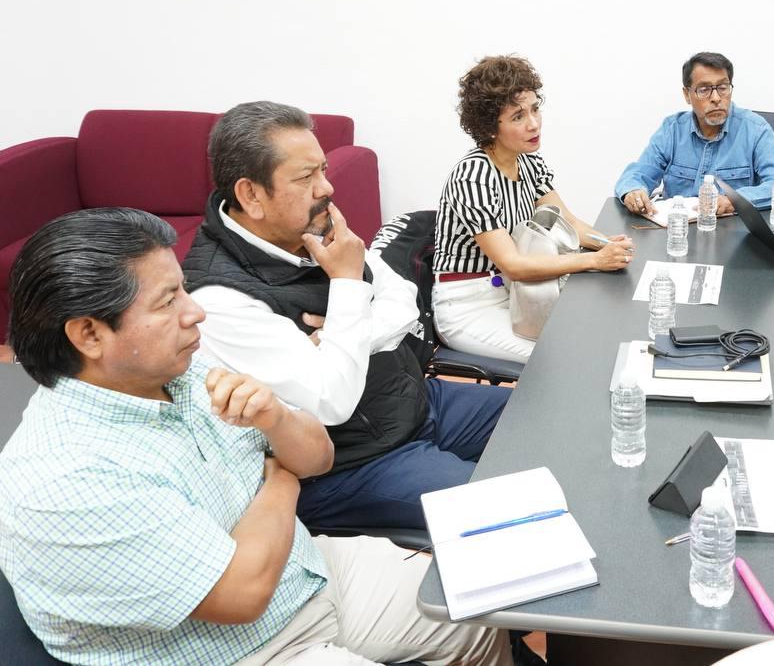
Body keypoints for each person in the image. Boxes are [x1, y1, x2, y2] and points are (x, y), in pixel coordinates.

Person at [0, 208, 509, 666]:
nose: (195, 312)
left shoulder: (184, 372)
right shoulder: (67, 477)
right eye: (168, 301)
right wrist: (281, 480)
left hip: (308, 572)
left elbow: (318, 456)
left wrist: (277, 420)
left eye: (183, 289)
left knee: (479, 612)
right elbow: (242, 594)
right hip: (249, 649)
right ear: (90, 334)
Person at [183, 101, 512, 532]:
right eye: (306, 177)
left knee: (552, 422)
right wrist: (347, 285)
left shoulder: (309, 225)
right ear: (251, 195)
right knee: (509, 512)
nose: (327, 187)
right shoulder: (220, 300)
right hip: (354, 463)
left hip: (412, 402)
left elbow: (403, 299)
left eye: (322, 169)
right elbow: (331, 401)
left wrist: (343, 335)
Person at [434, 55, 634, 364]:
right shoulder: (473, 176)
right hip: (468, 306)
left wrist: (611, 245)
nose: (534, 123)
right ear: (490, 127)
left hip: (517, 293)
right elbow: (513, 264)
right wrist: (594, 259)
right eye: (518, 116)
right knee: (560, 359)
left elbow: (570, 223)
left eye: (534, 109)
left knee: (591, 333)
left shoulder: (528, 161)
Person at [614, 51, 774, 215]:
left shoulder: (755, 129)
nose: (716, 98)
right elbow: (638, 174)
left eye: (723, 87)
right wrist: (633, 191)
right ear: (687, 95)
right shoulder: (672, 129)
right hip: (678, 229)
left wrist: (733, 201)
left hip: (731, 232)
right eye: (704, 90)